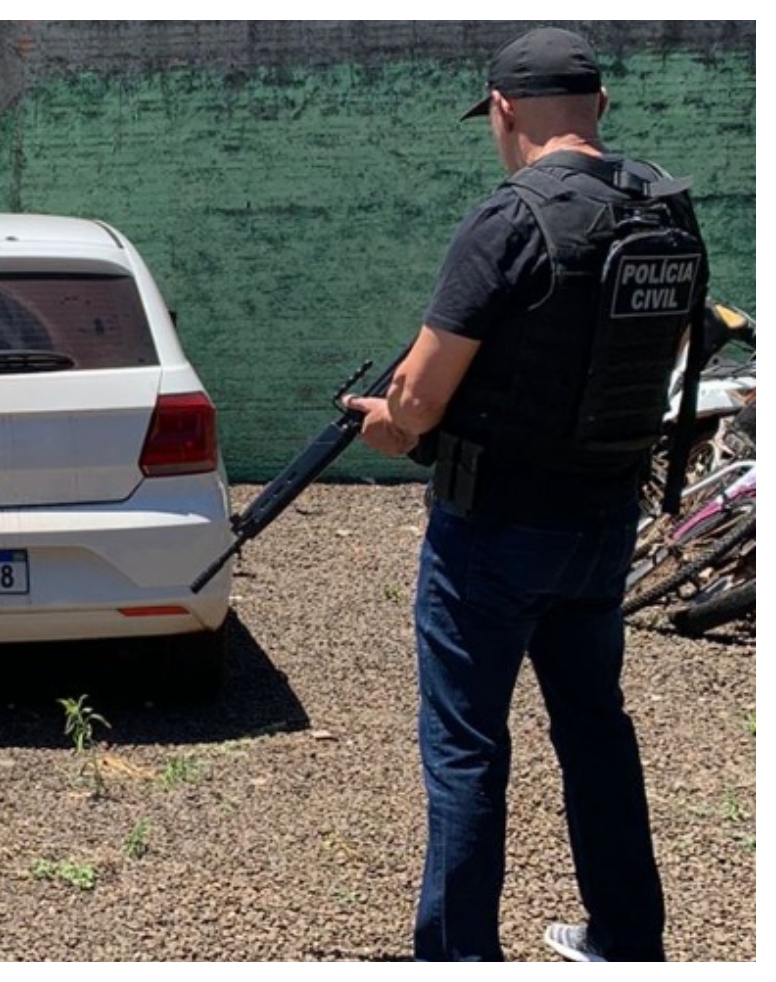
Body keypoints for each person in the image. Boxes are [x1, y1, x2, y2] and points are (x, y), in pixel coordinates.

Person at [346, 26, 706, 962]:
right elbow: (661, 355)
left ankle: (461, 957)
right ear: (601, 106)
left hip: (494, 530)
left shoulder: (507, 219)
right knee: (595, 730)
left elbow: (418, 400)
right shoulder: (666, 210)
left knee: (466, 748)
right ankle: (627, 940)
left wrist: (382, 426)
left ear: (504, 110)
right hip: (602, 518)